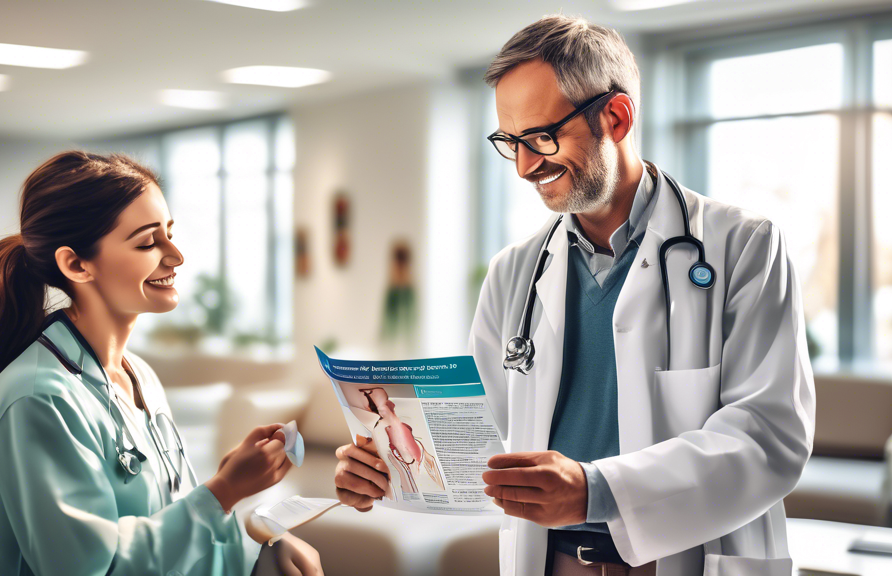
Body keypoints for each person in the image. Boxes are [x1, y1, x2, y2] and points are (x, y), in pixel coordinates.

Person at [334, 15, 815, 576]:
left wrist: (596, 489)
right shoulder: (514, 272)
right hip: (554, 561)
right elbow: (481, 440)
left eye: (540, 137)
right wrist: (385, 470)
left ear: (615, 116)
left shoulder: (742, 246)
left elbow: (769, 434)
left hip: (688, 560)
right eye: (509, 143)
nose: (523, 167)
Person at [0, 151, 322, 576]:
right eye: (148, 242)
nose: (175, 255)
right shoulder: (37, 398)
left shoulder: (138, 375)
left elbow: (167, 533)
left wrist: (258, 554)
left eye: (169, 233)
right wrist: (222, 492)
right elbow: (89, 568)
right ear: (76, 264)